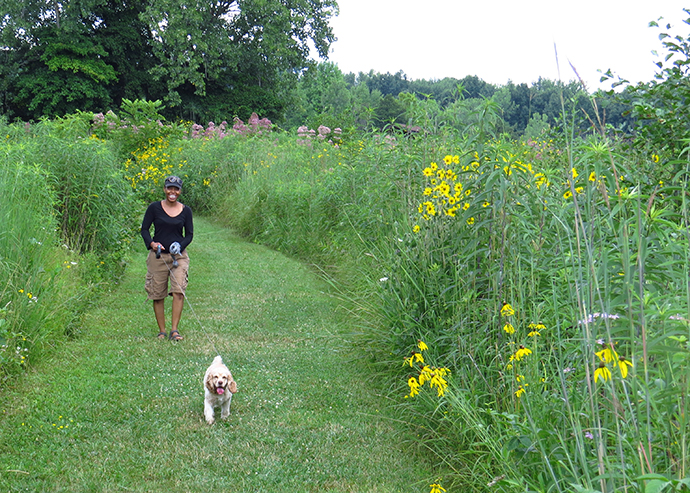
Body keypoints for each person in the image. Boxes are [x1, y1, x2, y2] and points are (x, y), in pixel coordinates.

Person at [140, 175, 193, 341]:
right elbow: (144, 230)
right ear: (164, 189)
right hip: (158, 257)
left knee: (178, 291)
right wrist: (152, 244)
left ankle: (174, 330)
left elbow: (189, 235)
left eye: (176, 189)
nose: (172, 191)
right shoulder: (154, 208)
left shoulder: (186, 210)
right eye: (169, 188)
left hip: (178, 257)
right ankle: (162, 331)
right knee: (157, 293)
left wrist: (180, 245)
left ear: (180, 191)